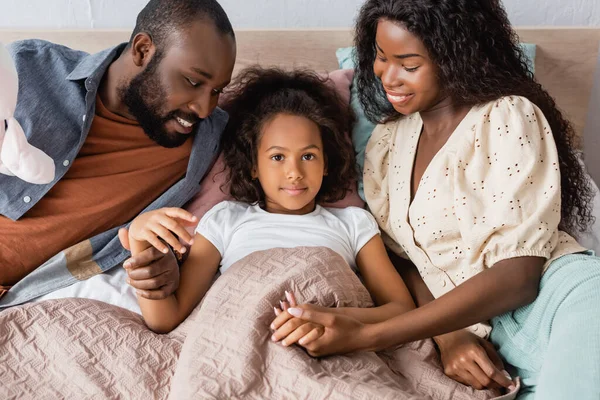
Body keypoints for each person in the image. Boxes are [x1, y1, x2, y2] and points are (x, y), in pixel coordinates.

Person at [272, 1, 600, 399]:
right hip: (494, 349)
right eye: (379, 57)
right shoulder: (388, 142)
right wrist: (448, 334)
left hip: (565, 306)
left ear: (454, 57)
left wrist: (367, 333)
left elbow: (519, 276)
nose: (387, 77)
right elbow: (404, 260)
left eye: (408, 65)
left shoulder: (507, 116)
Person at [125, 67, 416, 334]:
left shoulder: (353, 222)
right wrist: (140, 240)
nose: (294, 173)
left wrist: (330, 317)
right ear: (253, 166)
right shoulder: (225, 219)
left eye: (308, 156)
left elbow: (401, 309)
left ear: (326, 164)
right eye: (278, 157)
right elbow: (166, 319)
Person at [0, 0, 236, 307]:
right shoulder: (28, 68)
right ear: (142, 50)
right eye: (193, 82)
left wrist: (171, 271)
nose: (205, 107)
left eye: (217, 90)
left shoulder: (211, 142)